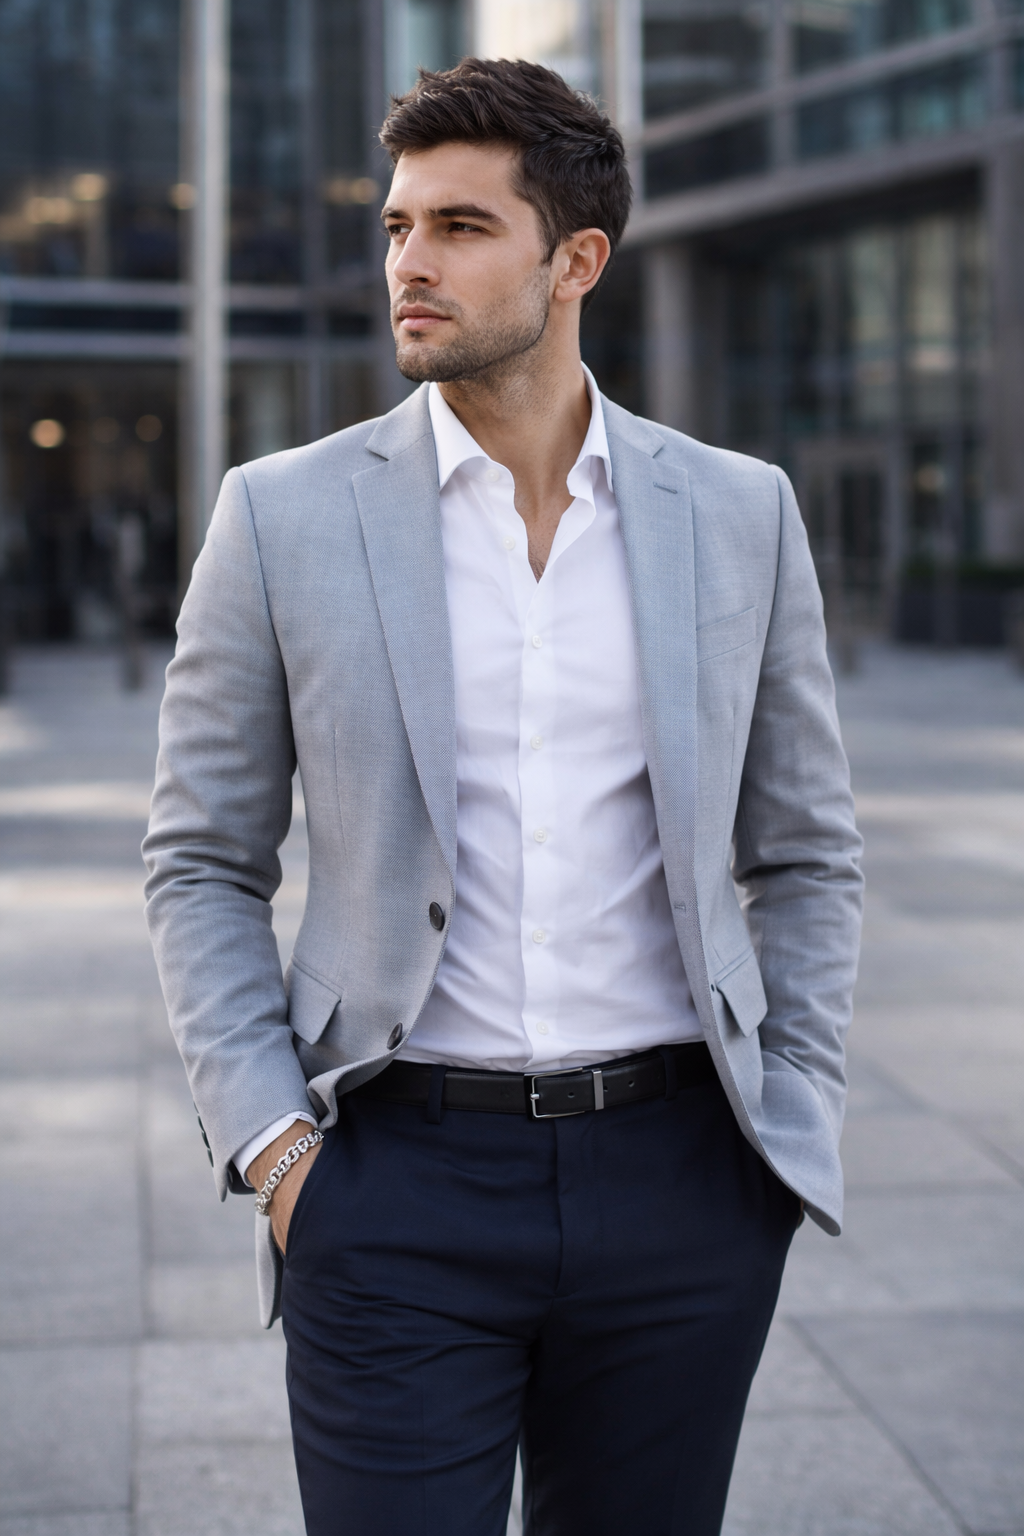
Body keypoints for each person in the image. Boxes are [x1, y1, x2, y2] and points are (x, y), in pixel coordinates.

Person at [144, 57, 863, 1536]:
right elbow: (202, 861)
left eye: (462, 228)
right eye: (399, 225)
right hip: (391, 1181)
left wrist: (791, 1115)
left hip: (683, 1179)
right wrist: (279, 1155)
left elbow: (804, 851)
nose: (410, 262)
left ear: (576, 259)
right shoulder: (281, 516)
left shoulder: (737, 512)